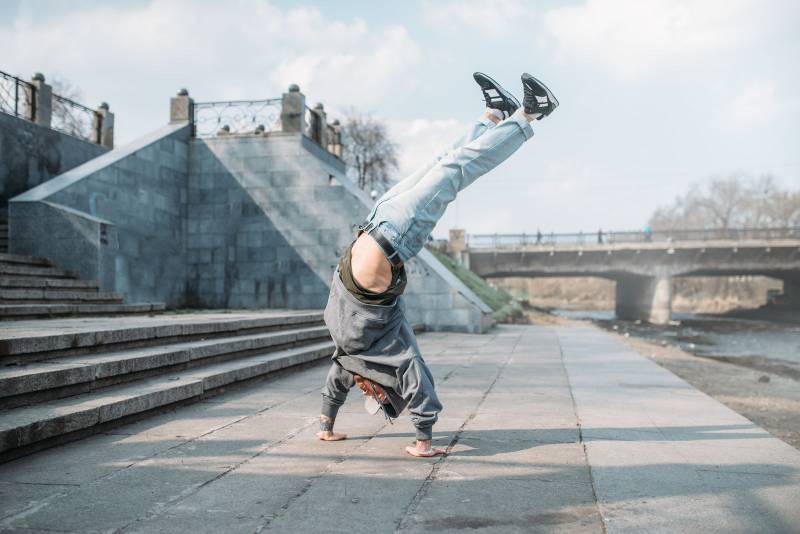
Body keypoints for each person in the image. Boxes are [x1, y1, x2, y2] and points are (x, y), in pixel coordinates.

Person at [317, 72, 559, 457]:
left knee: (441, 162)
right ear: (385, 389)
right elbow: (419, 384)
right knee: (456, 170)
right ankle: (530, 114)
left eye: (364, 394)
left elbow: (334, 386)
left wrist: (326, 426)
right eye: (374, 396)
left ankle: (494, 115)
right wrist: (423, 440)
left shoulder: (350, 360)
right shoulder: (393, 353)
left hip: (376, 219)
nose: (364, 391)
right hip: (396, 234)